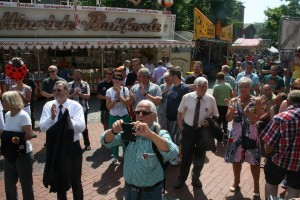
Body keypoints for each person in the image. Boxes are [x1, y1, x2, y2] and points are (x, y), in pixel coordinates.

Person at [101, 100, 179, 200]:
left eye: (145, 113)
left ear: (155, 116)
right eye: (137, 112)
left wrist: (150, 134)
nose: (140, 115)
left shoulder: (160, 134)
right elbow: (105, 141)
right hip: (129, 190)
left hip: (151, 193)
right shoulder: (129, 131)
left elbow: (173, 153)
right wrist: (113, 131)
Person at [39, 81, 85, 200]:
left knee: (76, 180)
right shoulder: (48, 106)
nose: (55, 93)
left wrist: (68, 120)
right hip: (56, 147)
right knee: (59, 181)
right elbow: (42, 127)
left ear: (67, 91)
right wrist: (51, 118)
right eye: (54, 90)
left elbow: (81, 127)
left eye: (58, 90)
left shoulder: (75, 106)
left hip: (72, 147)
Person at [174, 77, 219, 189]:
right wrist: (181, 126)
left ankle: (195, 177)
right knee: (186, 155)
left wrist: (209, 122)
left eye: (205, 86)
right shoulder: (187, 97)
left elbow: (215, 116)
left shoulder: (211, 99)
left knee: (200, 155)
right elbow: (180, 113)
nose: (204, 88)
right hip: (188, 130)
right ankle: (182, 177)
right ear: (195, 86)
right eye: (201, 86)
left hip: (203, 132)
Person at [224, 77, 262, 198]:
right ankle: (236, 182)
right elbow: (228, 119)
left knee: (254, 162)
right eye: (241, 86)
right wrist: (230, 109)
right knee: (236, 160)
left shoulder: (256, 100)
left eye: (246, 86)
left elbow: (258, 120)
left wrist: (248, 112)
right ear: (238, 87)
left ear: (250, 87)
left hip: (251, 135)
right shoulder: (234, 100)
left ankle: (256, 186)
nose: (243, 89)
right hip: (236, 136)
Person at [262, 90, 300, 199]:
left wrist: (267, 154)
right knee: (294, 190)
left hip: (278, 161)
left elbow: (268, 146)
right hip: (298, 164)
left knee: (271, 184)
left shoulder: (281, 118)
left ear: (287, 102)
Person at [1, 91, 34, 200]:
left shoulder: (23, 115)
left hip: (23, 155)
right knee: (9, 184)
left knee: (26, 185)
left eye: (3, 101)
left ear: (11, 102)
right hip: (9, 153)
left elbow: (29, 135)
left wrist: (10, 138)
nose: (2, 103)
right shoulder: (7, 115)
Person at [105, 72, 131, 165]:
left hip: (124, 117)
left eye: (119, 79)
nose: (117, 80)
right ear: (113, 79)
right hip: (113, 117)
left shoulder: (125, 90)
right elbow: (108, 107)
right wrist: (116, 98)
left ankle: (126, 156)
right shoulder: (109, 91)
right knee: (114, 137)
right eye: (115, 78)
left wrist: (120, 95)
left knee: (126, 137)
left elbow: (126, 104)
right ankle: (115, 157)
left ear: (122, 80)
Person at [166, 66, 190, 166]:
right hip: (169, 119)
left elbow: (186, 106)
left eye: (170, 76)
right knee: (171, 138)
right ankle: (173, 155)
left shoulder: (184, 88)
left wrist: (180, 120)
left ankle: (177, 157)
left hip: (177, 120)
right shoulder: (172, 87)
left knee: (177, 139)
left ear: (175, 76)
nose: (168, 78)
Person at [69, 69, 91, 150]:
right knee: (71, 126)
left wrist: (79, 94)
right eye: (75, 74)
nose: (76, 76)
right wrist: (73, 94)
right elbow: (66, 97)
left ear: (81, 75)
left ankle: (87, 144)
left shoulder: (85, 84)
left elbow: (88, 96)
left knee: (84, 126)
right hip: (72, 110)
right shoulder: (69, 84)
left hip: (83, 108)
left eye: (78, 74)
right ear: (73, 75)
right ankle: (73, 143)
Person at [213, 72, 233, 138]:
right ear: (224, 78)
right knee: (225, 119)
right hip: (226, 105)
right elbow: (231, 94)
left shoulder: (216, 87)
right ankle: (225, 133)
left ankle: (219, 133)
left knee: (219, 120)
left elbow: (214, 97)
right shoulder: (228, 85)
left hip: (218, 105)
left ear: (217, 78)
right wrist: (231, 101)